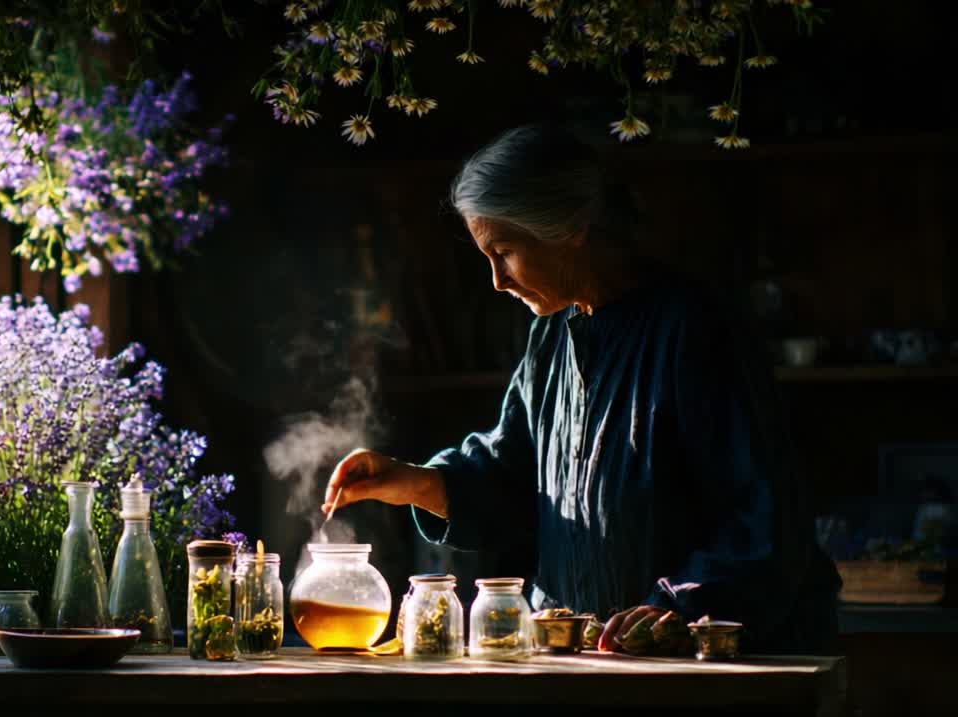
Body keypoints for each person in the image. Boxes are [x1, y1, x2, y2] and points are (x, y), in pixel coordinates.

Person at [322, 124, 842, 654]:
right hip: (587, 658)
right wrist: (413, 481)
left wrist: (679, 605)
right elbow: (510, 473)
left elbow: (764, 513)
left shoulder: (694, 329)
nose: (497, 280)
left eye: (504, 251)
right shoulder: (551, 333)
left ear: (568, 228)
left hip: (699, 667)